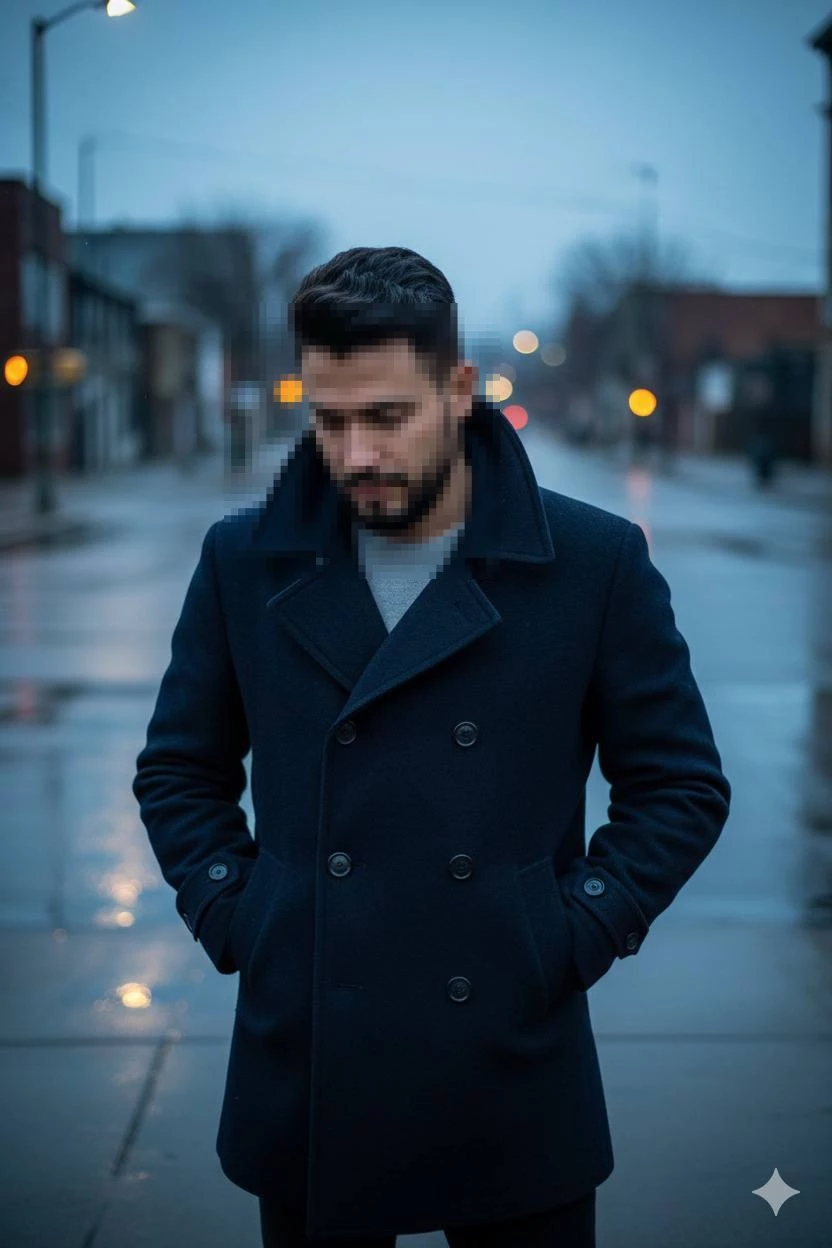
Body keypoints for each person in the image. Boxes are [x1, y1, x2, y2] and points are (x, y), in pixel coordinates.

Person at [132, 246, 731, 1246]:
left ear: (458, 390)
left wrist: (570, 929)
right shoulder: (244, 559)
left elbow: (679, 786)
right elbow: (178, 769)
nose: (356, 454)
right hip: (313, 1045)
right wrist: (244, 913)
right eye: (329, 420)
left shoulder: (591, 562)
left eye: (387, 416)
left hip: (509, 1052)